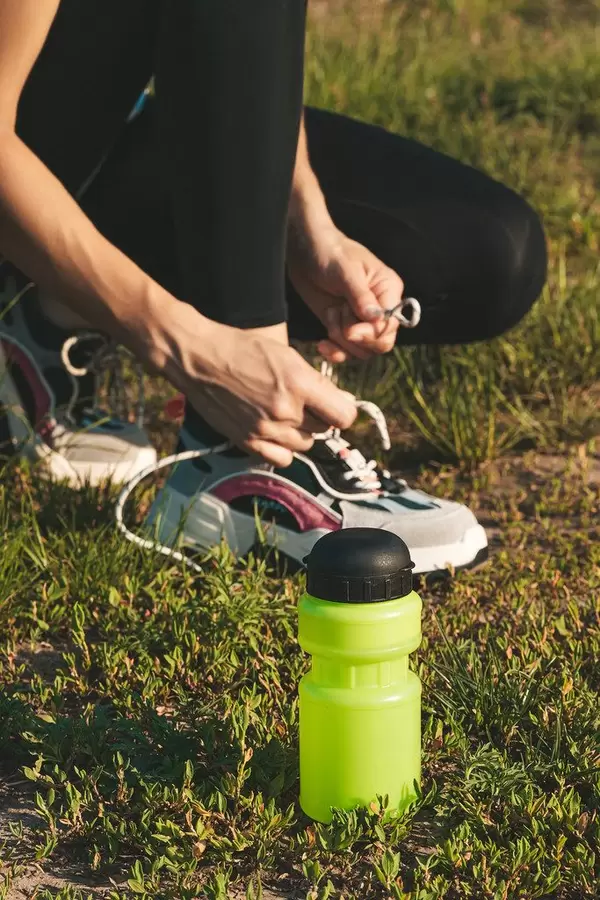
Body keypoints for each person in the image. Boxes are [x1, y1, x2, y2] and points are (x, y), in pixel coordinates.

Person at [0, 0, 547, 575]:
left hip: (91, 135)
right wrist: (189, 348)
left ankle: (38, 319)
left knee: (490, 253)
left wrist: (304, 223)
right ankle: (236, 459)